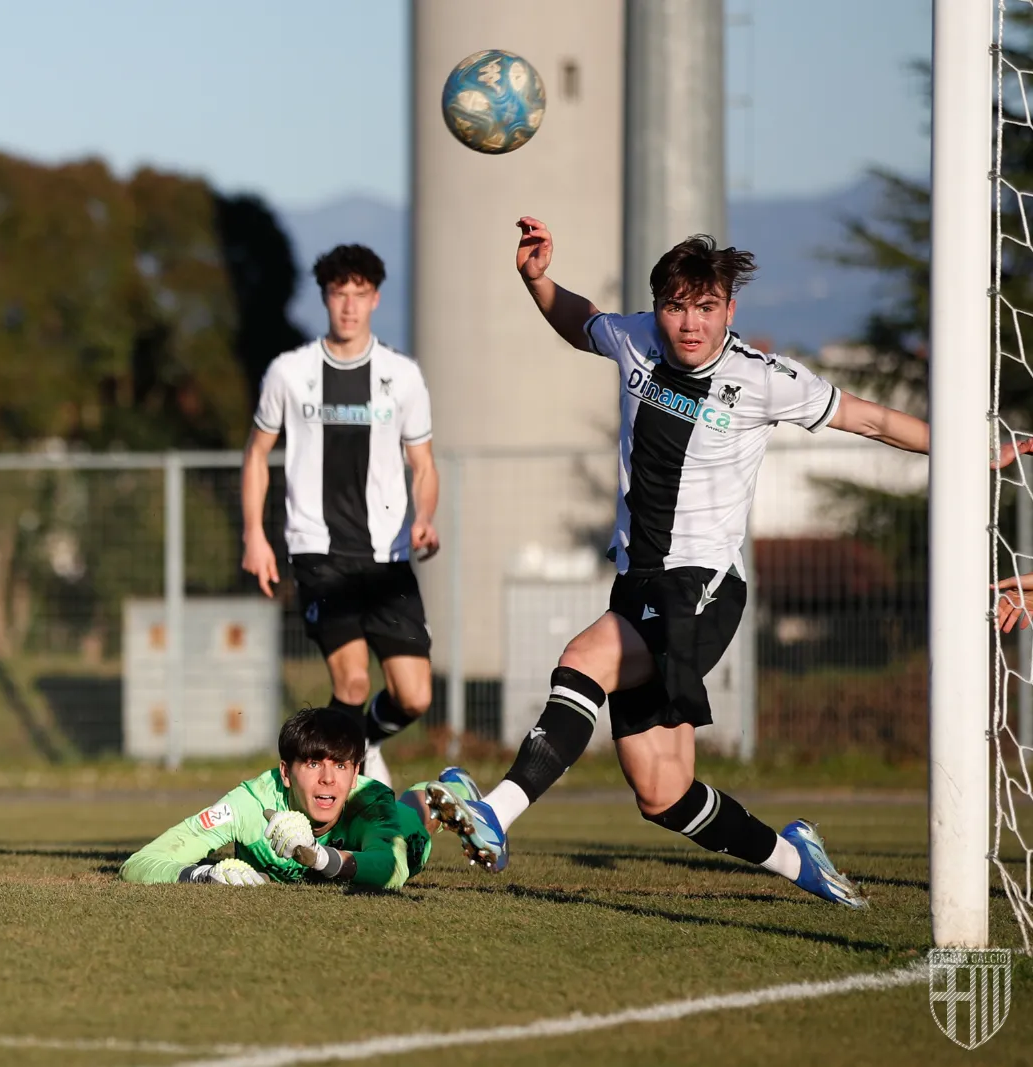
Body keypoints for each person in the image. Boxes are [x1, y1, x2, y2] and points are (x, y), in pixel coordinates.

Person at [428, 218, 1032, 907]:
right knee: (663, 792)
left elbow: (869, 419)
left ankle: (496, 812)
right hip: (638, 582)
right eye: (676, 306)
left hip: (702, 587)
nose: (690, 324)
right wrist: (536, 279)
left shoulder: (763, 379)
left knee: (584, 657)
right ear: (658, 307)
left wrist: (972, 450)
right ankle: (798, 859)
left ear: (729, 310)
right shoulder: (635, 340)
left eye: (706, 307)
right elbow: (582, 322)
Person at [240, 245, 439, 789]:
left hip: (387, 557)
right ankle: (329, 792)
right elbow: (257, 453)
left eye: (359, 294)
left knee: (415, 697)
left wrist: (424, 515)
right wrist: (254, 535)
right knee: (351, 683)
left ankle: (362, 742)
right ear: (325, 297)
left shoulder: (402, 376)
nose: (349, 306)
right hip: (319, 553)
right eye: (338, 294)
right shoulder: (289, 372)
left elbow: (423, 464)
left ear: (375, 299)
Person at [120, 706, 473, 889]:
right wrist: (202, 875)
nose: (328, 778)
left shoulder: (368, 798)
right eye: (313, 763)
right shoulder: (249, 805)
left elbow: (390, 870)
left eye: (340, 765)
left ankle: (452, 789)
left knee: (417, 825)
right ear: (286, 773)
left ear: (355, 774)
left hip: (388, 827)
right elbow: (139, 863)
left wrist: (319, 857)